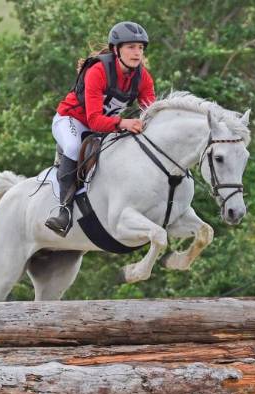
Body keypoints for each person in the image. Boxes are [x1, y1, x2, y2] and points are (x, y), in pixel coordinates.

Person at [45, 21, 156, 237]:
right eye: (131, 47)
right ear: (117, 50)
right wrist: (123, 123)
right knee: (74, 146)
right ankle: (64, 210)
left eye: (140, 48)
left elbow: (150, 112)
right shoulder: (98, 71)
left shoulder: (143, 78)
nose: (137, 53)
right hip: (72, 120)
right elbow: (94, 120)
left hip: (105, 127)